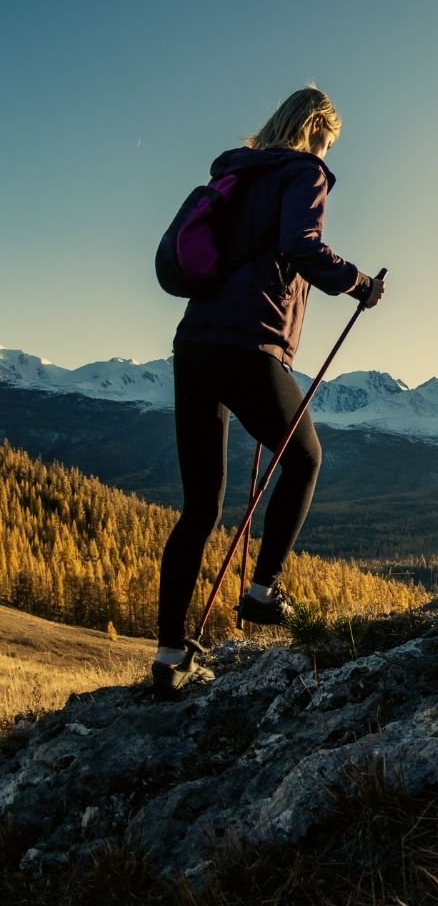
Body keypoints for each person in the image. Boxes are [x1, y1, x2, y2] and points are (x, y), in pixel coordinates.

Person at [153, 87, 386, 695]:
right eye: (328, 140)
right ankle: (263, 592)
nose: (327, 151)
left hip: (195, 341)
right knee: (306, 457)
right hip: (248, 341)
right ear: (314, 127)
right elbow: (300, 245)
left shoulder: (235, 172)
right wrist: (357, 283)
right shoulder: (304, 171)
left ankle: (170, 655)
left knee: (200, 506)